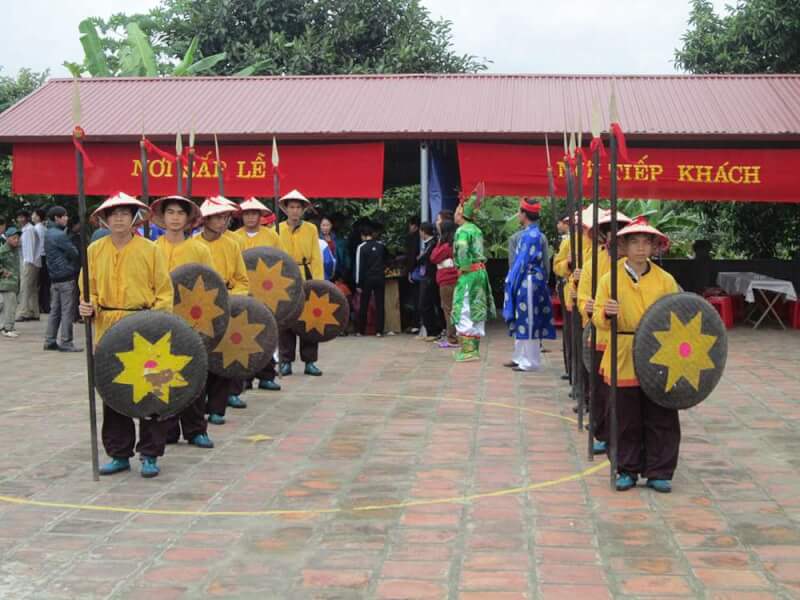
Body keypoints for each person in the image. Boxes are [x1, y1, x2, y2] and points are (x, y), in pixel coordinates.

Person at [78, 192, 173, 478]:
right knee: (113, 392)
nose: (119, 218)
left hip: (143, 326)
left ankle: (150, 453)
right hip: (107, 327)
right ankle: (119, 452)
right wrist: (88, 304)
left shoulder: (150, 249)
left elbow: (164, 292)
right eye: (113, 213)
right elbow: (87, 286)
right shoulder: (94, 250)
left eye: (124, 213)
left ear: (133, 218)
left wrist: (152, 320)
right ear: (105, 219)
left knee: (149, 391)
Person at [593, 217, 680, 493]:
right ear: (624, 246)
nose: (641, 248)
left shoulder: (666, 280)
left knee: (661, 413)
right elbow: (596, 316)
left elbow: (678, 313)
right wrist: (607, 312)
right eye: (634, 242)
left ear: (654, 247)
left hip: (659, 353)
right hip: (623, 352)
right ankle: (627, 469)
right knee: (625, 415)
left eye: (646, 242)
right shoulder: (610, 279)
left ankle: (660, 470)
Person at [151, 195, 216, 449]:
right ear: (163, 217)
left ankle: (196, 429)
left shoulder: (200, 249)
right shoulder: (152, 247)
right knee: (162, 375)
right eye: (171, 213)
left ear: (188, 219)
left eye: (180, 213)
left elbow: (211, 284)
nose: (175, 218)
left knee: (193, 374)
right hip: (161, 318)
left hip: (193, 320)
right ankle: (166, 427)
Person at [577, 209, 632, 454]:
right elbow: (584, 296)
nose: (614, 238)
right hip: (601, 335)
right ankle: (601, 432)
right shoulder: (593, 265)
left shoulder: (637, 267)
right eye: (610, 232)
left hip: (630, 341)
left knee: (625, 395)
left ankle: (626, 438)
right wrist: (586, 306)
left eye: (620, 233)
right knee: (600, 390)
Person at [195, 197, 251, 422]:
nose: (222, 222)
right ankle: (198, 409)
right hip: (198, 308)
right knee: (200, 359)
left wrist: (230, 297)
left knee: (223, 355)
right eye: (217, 217)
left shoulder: (232, 244)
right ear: (205, 219)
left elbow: (242, 280)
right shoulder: (194, 245)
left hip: (227, 304)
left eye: (225, 217)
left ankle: (217, 408)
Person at [234, 196, 283, 392]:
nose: (251, 217)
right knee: (244, 335)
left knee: (266, 334)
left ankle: (266, 375)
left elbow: (281, 263)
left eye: (254, 213)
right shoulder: (234, 237)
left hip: (267, 292)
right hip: (243, 292)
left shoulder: (272, 236)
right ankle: (244, 377)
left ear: (260, 215)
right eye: (247, 213)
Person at [502, 199, 556, 371]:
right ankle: (520, 357)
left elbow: (521, 263)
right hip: (530, 279)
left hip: (529, 280)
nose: (518, 215)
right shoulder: (533, 234)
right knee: (523, 318)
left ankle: (530, 362)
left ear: (524, 214)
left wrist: (511, 280)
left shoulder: (530, 236)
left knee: (529, 320)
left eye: (519, 212)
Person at [276, 189, 324, 377]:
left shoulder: (311, 229)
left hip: (306, 274)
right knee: (286, 321)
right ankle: (286, 360)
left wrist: (318, 282)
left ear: (303, 210)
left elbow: (316, 257)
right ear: (286, 209)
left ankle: (310, 361)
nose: (295, 211)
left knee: (309, 319)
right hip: (284, 278)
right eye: (291, 207)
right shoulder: (277, 229)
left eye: (298, 207)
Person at [452, 189, 496, 362]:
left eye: (457, 211)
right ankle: (473, 350)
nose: (455, 214)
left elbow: (462, 249)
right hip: (480, 272)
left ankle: (468, 351)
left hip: (469, 273)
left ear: (462, 213)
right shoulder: (476, 229)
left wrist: (461, 267)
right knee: (476, 306)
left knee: (464, 307)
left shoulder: (462, 231)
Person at [43, 206, 81, 352]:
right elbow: (74, 252)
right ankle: (66, 342)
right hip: (65, 276)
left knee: (55, 311)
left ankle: (50, 340)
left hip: (54, 277)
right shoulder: (59, 235)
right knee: (67, 311)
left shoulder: (48, 233)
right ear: (56, 218)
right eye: (63, 216)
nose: (66, 219)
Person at [430, 220, 459, 348]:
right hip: (454, 279)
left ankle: (452, 338)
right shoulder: (455, 244)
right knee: (453, 308)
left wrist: (439, 242)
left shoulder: (446, 246)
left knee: (448, 309)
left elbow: (434, 257)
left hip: (447, 280)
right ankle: (455, 336)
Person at [355, 223, 387, 336]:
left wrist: (358, 283)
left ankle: (361, 330)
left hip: (367, 279)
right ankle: (379, 330)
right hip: (380, 277)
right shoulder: (381, 246)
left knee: (364, 304)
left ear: (363, 235)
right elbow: (385, 261)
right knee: (380, 304)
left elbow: (360, 266)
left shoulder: (361, 247)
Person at [415, 222, 442, 341]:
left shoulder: (433, 243)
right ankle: (431, 330)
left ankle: (433, 331)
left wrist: (419, 257)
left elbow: (423, 258)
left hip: (430, 278)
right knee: (426, 304)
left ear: (423, 231)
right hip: (426, 277)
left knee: (425, 304)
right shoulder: (429, 244)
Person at [15, 210, 40, 322]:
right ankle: (34, 312)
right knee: (32, 288)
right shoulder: (28, 229)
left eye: (22, 217)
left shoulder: (29, 230)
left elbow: (30, 248)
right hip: (33, 262)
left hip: (29, 262)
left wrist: (28, 262)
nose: (20, 220)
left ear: (26, 218)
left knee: (25, 288)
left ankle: (24, 312)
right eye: (19, 217)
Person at [0, 227, 21, 338]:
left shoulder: (15, 249)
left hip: (14, 283)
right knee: (10, 307)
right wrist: (2, 271)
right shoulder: (3, 250)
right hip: (6, 284)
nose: (17, 240)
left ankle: (7, 326)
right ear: (7, 238)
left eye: (18, 238)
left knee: (9, 306)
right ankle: (7, 329)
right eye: (14, 238)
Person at [403, 216, 421, 333]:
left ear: (414, 226)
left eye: (410, 225)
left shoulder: (412, 238)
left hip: (415, 273)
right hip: (421, 272)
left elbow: (411, 257)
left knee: (416, 299)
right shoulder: (421, 239)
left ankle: (416, 323)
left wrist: (409, 272)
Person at [33, 208, 50, 314]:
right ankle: (45, 306)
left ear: (38, 217)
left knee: (39, 283)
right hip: (45, 256)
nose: (32, 216)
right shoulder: (44, 228)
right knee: (45, 283)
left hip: (39, 256)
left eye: (33, 215)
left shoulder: (36, 228)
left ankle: (40, 306)